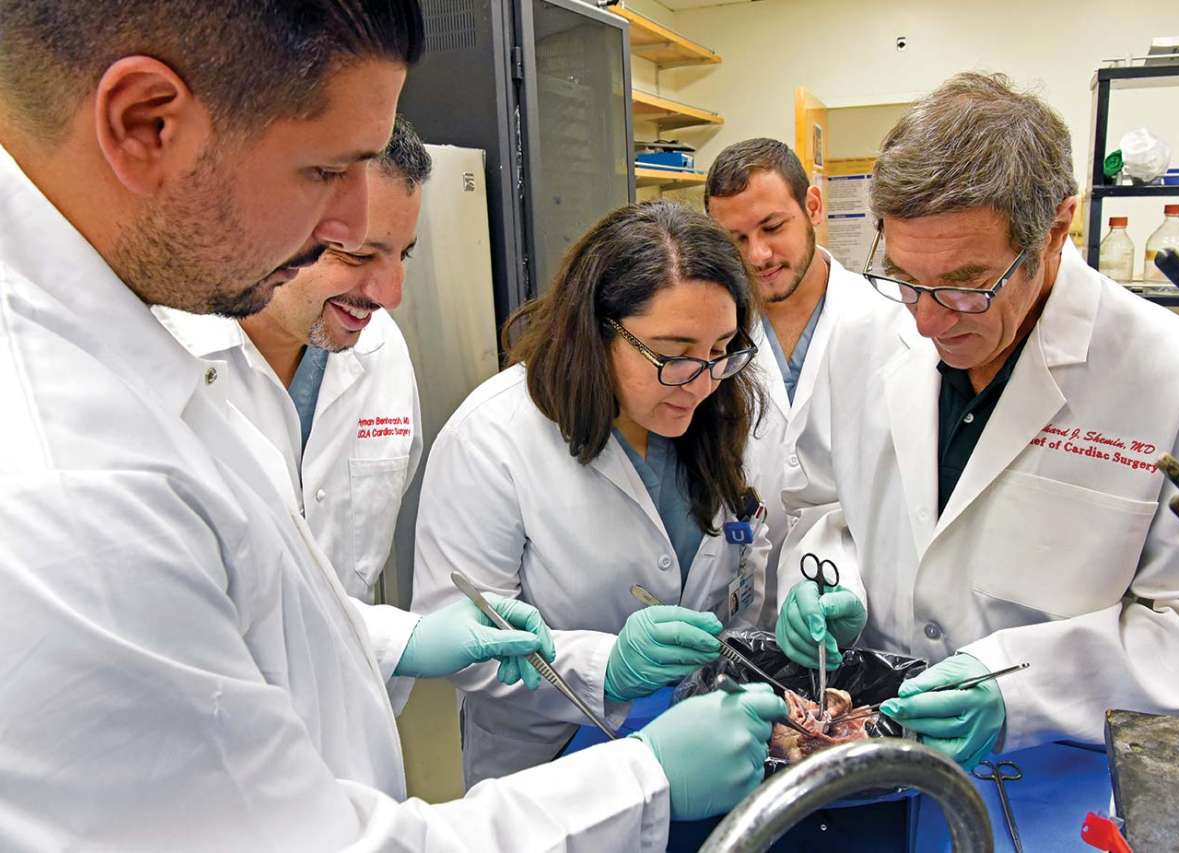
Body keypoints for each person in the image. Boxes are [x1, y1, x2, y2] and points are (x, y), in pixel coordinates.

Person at [0, 2, 783, 848]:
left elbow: (257, 600)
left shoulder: (126, 354)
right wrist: (644, 777)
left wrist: (404, 636)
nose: (345, 233)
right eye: (325, 171)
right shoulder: (64, 482)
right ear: (146, 124)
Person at [777, 72, 1179, 771]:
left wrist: (1026, 689)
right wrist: (829, 584)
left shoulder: (1175, 376)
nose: (924, 320)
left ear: (1056, 229)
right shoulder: (866, 333)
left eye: (966, 284)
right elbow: (824, 503)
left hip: (1058, 762)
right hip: (873, 739)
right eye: (907, 277)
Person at [414, 200, 774, 787]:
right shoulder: (495, 437)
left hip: (705, 751)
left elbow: (752, 559)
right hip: (549, 766)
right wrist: (606, 666)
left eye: (720, 350)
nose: (702, 381)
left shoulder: (723, 412)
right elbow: (459, 638)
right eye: (675, 353)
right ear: (597, 330)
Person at [157, 114, 430, 606]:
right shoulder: (167, 359)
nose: (391, 295)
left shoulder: (381, 351)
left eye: (402, 256)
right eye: (356, 256)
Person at [704, 138, 879, 625]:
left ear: (814, 206)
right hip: (740, 609)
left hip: (856, 603)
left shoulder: (889, 324)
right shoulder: (710, 336)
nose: (758, 255)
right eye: (735, 239)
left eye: (772, 227)